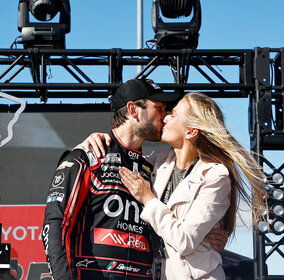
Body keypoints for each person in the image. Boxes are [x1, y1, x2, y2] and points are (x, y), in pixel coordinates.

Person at [42, 79, 227, 280]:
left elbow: (181, 227)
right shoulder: (88, 156)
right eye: (159, 108)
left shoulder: (151, 166)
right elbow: (56, 223)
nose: (163, 116)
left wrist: (209, 236)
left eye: (167, 111)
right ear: (133, 110)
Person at [80, 92, 266, 279]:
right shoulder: (158, 161)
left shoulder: (215, 175)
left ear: (191, 131)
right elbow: (121, 159)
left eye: (173, 114)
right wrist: (90, 143)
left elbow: (184, 241)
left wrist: (148, 199)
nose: (165, 117)